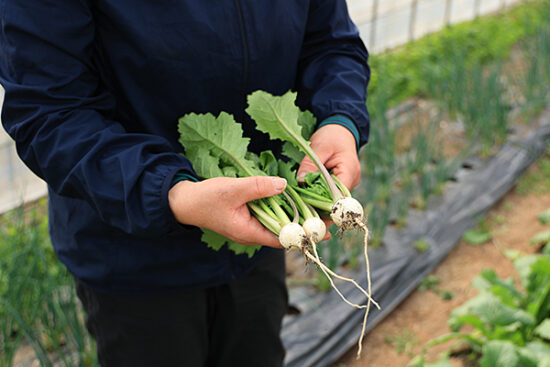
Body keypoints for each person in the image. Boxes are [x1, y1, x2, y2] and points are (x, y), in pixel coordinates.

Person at [0, 1, 370, 366]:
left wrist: (340, 119)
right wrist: (169, 192)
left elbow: (331, 43)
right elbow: (50, 113)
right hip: (133, 251)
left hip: (261, 238)